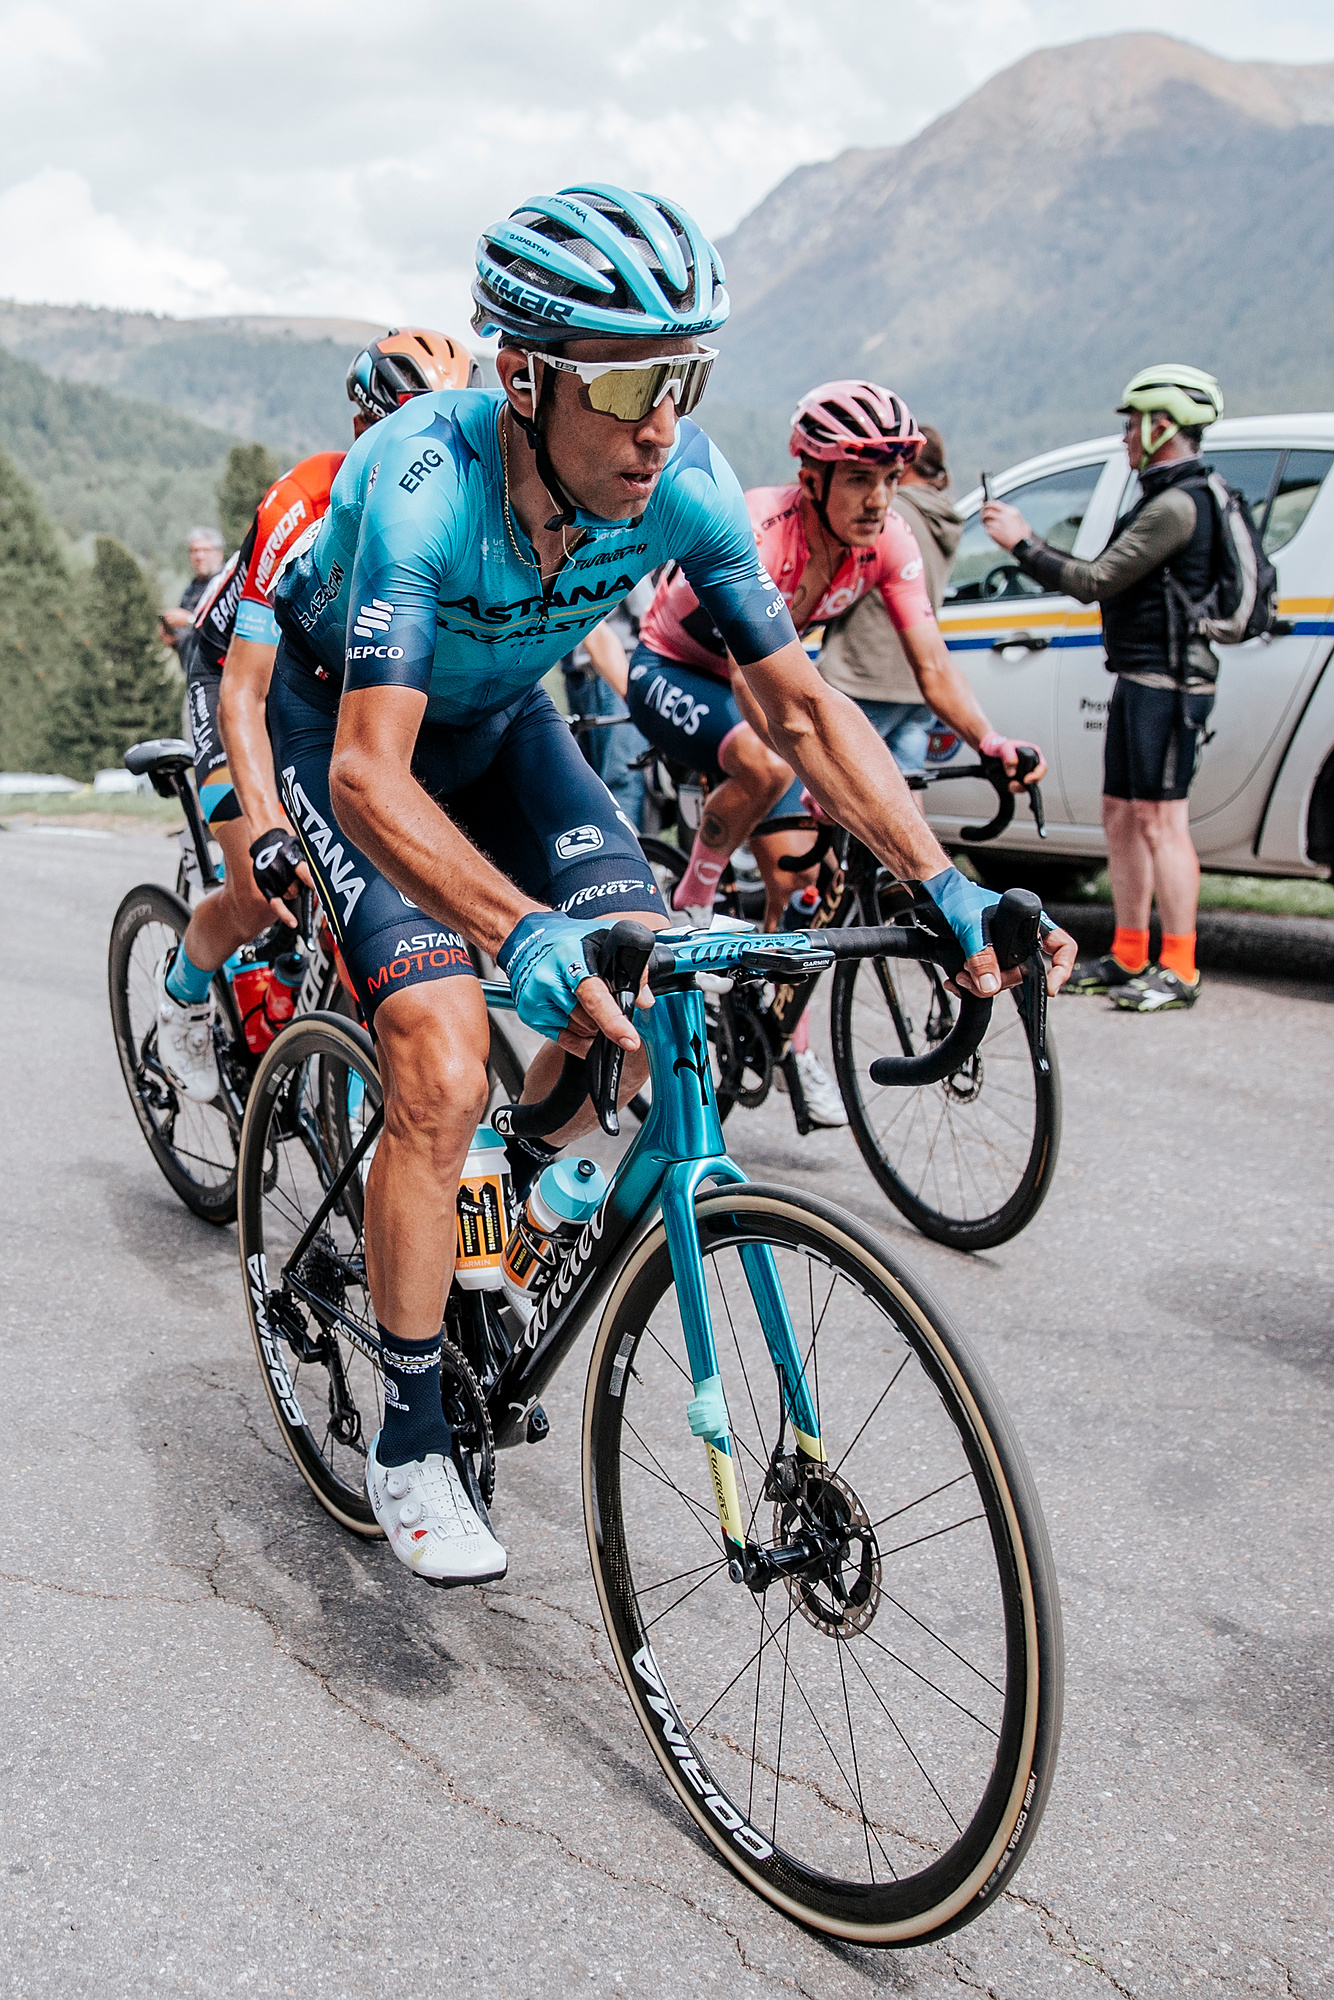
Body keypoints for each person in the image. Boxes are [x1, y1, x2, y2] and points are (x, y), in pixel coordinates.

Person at [266, 185, 1075, 1589]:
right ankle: (407, 1426)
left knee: (650, 978)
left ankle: (501, 1198)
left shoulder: (681, 479)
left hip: (505, 728)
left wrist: (943, 886)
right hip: (353, 735)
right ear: (524, 378)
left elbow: (802, 712)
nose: (661, 424)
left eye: (683, 378)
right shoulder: (419, 482)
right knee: (441, 1062)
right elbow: (368, 778)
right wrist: (517, 930)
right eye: (631, 384)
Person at [626, 384, 1048, 1126]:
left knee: (803, 885)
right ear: (812, 479)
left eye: (890, 479)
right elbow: (761, 694)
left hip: (769, 681)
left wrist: (990, 741)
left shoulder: (890, 542)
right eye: (859, 478)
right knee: (769, 766)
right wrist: (820, 769)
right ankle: (694, 898)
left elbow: (933, 666)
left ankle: (789, 1041)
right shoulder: (763, 531)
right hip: (676, 668)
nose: (878, 499)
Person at [152, 330, 479, 1102]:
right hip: (233, 674)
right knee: (256, 889)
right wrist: (268, 829)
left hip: (327, 682)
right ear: (364, 428)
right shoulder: (301, 504)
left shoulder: (457, 509)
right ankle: (182, 995)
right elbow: (244, 691)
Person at [982, 363, 1225, 1013]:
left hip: (1171, 682)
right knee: (1121, 815)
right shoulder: (1161, 496)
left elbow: (1095, 581)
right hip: (1138, 676)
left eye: (1133, 424)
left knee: (1162, 821)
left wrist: (1022, 543)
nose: (1125, 436)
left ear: (1163, 426)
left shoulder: (1177, 504)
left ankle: (1180, 967)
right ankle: (1130, 951)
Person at [817, 424, 962, 775]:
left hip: (864, 673)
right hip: (916, 682)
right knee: (905, 787)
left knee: (839, 786)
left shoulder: (891, 516)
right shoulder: (945, 517)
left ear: (903, 465)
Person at [159, 526, 224, 651]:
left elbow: (224, 630)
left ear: (219, 554)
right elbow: (190, 637)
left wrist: (190, 620)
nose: (199, 556)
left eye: (206, 550)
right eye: (194, 551)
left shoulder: (226, 586)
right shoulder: (191, 589)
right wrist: (173, 636)